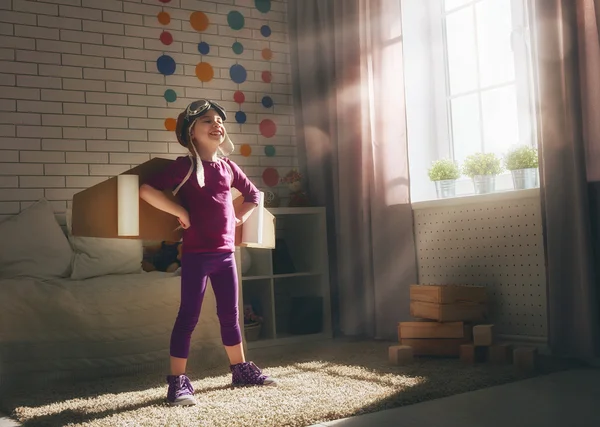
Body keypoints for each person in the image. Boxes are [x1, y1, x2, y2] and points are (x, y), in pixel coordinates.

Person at [140, 99, 277, 406]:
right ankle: (178, 382)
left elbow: (253, 194)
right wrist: (179, 210)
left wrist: (239, 217)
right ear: (192, 132)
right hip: (197, 256)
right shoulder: (185, 167)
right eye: (207, 121)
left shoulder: (229, 167)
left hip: (226, 255)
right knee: (187, 316)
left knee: (231, 315)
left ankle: (240, 370)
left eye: (218, 120)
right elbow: (146, 190)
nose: (216, 124)